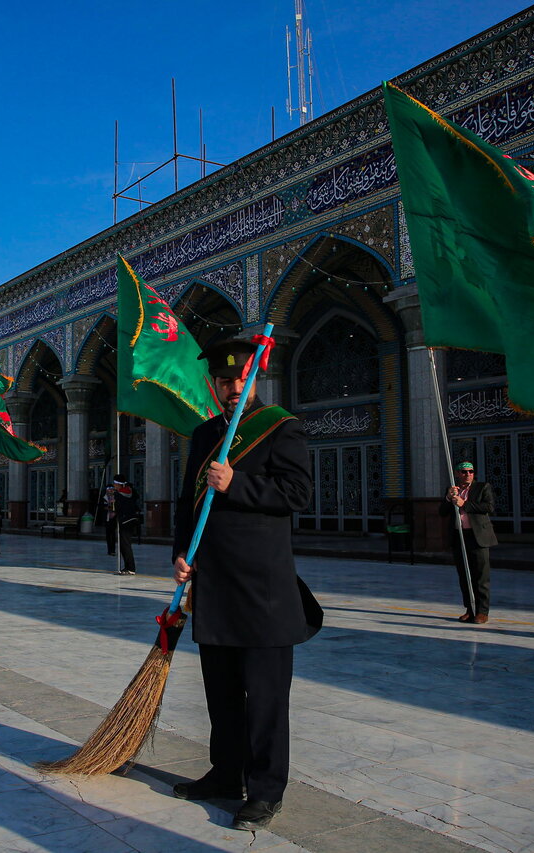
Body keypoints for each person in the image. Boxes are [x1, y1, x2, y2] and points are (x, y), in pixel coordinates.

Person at [171, 337, 322, 832]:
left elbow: (297, 493)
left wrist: (236, 483)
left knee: (265, 699)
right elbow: (189, 500)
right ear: (213, 385)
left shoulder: (282, 429)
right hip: (215, 585)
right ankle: (224, 773)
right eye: (224, 381)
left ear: (255, 379)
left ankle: (264, 791)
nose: (233, 387)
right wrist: (181, 552)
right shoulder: (205, 434)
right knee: (222, 694)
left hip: (263, 590)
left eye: (241, 379)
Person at [440, 461, 497, 624]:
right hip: (460, 536)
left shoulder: (482, 487)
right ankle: (470, 609)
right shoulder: (452, 490)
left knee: (481, 575)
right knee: (464, 575)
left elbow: (489, 507)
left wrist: (464, 504)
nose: (468, 474)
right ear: (457, 473)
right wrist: (448, 498)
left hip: (477, 536)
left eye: (471, 471)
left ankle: (482, 611)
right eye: (464, 472)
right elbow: (442, 512)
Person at [112, 476, 140, 574]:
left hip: (124, 520)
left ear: (119, 484)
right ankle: (128, 567)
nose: (114, 486)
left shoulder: (118, 495)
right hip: (132, 519)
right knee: (125, 544)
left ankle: (130, 568)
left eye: (115, 484)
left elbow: (116, 508)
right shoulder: (131, 492)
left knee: (125, 545)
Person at [102, 485, 117, 556]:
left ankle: (113, 550)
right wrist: (109, 507)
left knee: (113, 534)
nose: (111, 491)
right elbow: (103, 507)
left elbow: (117, 506)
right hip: (107, 518)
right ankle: (109, 550)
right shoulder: (104, 498)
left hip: (113, 518)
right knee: (108, 534)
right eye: (109, 490)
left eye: (112, 490)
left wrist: (114, 510)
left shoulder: (115, 498)